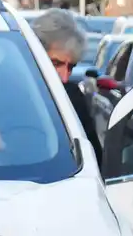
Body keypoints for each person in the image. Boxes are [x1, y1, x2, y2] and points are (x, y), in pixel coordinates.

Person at [31, 9, 103, 163]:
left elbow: (94, 158)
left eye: (71, 67)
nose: (64, 77)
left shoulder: (72, 97)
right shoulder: (6, 93)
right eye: (56, 63)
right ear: (34, 54)